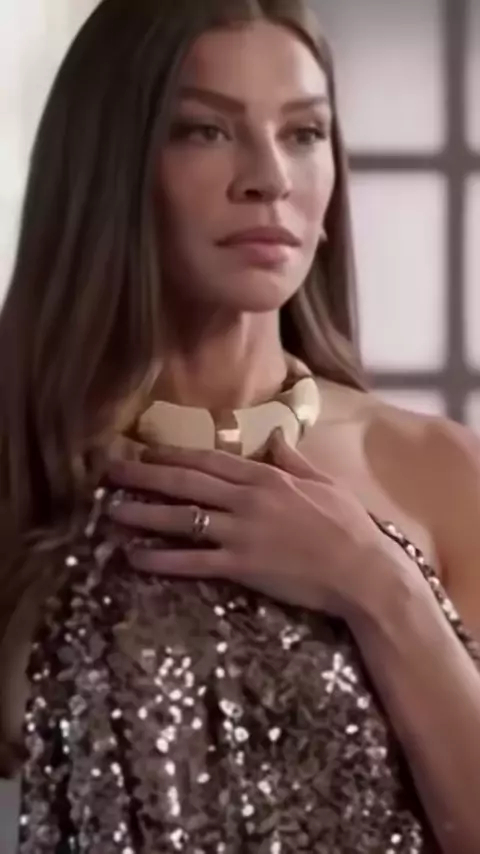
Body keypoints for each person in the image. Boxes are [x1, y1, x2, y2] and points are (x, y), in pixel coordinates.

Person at [1, 0, 480, 851]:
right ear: (112, 168)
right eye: (205, 131)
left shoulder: (434, 470)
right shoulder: (24, 454)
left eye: (303, 133)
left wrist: (379, 585)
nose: (269, 177)